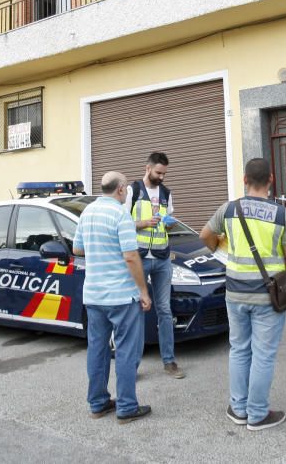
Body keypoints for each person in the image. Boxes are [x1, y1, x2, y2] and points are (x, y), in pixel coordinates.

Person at [199, 158, 286, 432]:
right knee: (263, 355)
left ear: (244, 179)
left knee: (239, 350)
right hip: (268, 296)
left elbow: (205, 236)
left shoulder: (229, 209)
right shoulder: (283, 214)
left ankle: (238, 408)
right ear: (271, 179)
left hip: (234, 293)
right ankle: (257, 414)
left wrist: (220, 249)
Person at [73, 171, 153, 424]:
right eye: (127, 188)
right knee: (127, 351)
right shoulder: (120, 215)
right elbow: (131, 256)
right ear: (120, 190)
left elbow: (77, 248)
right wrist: (143, 291)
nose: (128, 192)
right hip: (121, 296)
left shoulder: (88, 212)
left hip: (94, 295)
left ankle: (97, 404)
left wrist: (99, 248)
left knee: (97, 349)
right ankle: (127, 407)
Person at [125, 151, 183, 379]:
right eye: (159, 172)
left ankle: (169, 362)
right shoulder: (133, 191)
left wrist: (169, 224)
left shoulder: (167, 193)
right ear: (147, 168)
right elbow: (123, 224)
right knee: (136, 311)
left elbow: (168, 225)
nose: (162, 177)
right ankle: (133, 365)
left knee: (165, 310)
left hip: (161, 258)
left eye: (164, 173)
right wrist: (143, 223)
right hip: (138, 258)